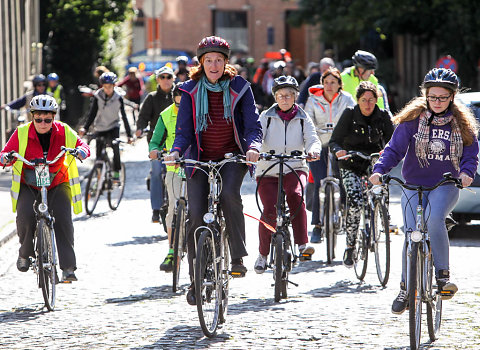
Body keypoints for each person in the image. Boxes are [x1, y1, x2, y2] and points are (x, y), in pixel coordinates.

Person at [369, 68, 479, 314]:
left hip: (445, 184)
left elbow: (471, 155)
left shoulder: (462, 124)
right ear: (425, 96)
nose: (437, 102)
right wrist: (380, 170)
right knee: (410, 235)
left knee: (434, 218)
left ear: (452, 97)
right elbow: (393, 150)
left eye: (442, 97)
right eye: (433, 97)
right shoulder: (412, 120)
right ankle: (405, 289)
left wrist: (466, 173)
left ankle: (442, 277)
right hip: (413, 184)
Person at [164, 35, 262, 305]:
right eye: (209, 60)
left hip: (232, 156)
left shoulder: (240, 87)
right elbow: (183, 131)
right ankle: (196, 280)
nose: (214, 64)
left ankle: (237, 256)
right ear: (201, 63)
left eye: (219, 60)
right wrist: (175, 152)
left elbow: (252, 125)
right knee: (196, 216)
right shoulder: (189, 90)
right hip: (199, 159)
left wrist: (253, 146)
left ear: (226, 63)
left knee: (230, 194)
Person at [0, 95, 90, 281]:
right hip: (29, 182)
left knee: (64, 220)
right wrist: (5, 158)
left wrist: (81, 151)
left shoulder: (64, 131)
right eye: (38, 119)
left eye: (48, 119)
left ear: (54, 118)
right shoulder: (22, 132)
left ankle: (68, 268)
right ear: (32, 117)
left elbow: (82, 144)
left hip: (57, 181)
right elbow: (5, 152)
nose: (43, 123)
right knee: (25, 216)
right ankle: (25, 254)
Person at [253, 75, 321, 273]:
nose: (285, 99)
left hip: (295, 166)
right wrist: (254, 149)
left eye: (289, 95)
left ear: (295, 97)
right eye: (281, 95)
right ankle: (263, 254)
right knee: (269, 208)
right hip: (268, 169)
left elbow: (312, 138)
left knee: (296, 195)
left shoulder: (302, 117)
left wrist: (313, 150)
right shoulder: (266, 116)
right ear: (275, 97)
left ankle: (302, 244)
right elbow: (257, 136)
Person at [329, 81, 394, 268]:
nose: (367, 104)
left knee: (382, 184)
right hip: (350, 162)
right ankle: (350, 246)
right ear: (358, 100)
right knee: (356, 201)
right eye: (364, 100)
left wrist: (386, 152)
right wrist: (339, 151)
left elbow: (393, 141)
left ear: (376, 101)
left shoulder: (382, 116)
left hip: (373, 161)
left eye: (371, 100)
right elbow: (335, 141)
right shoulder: (349, 114)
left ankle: (383, 213)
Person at [303, 67, 356, 243]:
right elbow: (307, 121)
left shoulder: (347, 99)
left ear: (340, 84)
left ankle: (344, 211)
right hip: (319, 144)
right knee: (319, 182)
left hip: (340, 144)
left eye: (333, 82)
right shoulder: (313, 100)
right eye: (326, 82)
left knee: (343, 179)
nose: (329, 85)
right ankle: (317, 225)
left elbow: (353, 119)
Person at [149, 82, 184, 272]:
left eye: (184, 104)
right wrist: (154, 150)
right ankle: (172, 251)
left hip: (195, 168)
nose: (181, 109)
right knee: (172, 210)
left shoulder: (199, 111)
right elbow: (155, 141)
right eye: (178, 105)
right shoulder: (165, 115)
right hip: (174, 168)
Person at [136, 65, 175, 223]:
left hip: (175, 142)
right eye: (162, 77)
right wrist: (139, 128)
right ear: (158, 80)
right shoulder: (151, 98)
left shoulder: (178, 96)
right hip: (157, 142)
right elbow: (143, 116)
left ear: (173, 79)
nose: (166, 80)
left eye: (169, 77)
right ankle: (156, 208)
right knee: (157, 172)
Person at [78, 72, 133, 180]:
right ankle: (99, 177)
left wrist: (129, 135)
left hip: (113, 126)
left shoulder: (118, 98)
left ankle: (116, 172)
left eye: (110, 87)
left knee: (115, 147)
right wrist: (85, 127)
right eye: (105, 87)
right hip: (100, 127)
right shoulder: (97, 96)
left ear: (114, 86)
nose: (107, 89)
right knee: (98, 155)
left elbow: (124, 117)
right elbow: (92, 114)